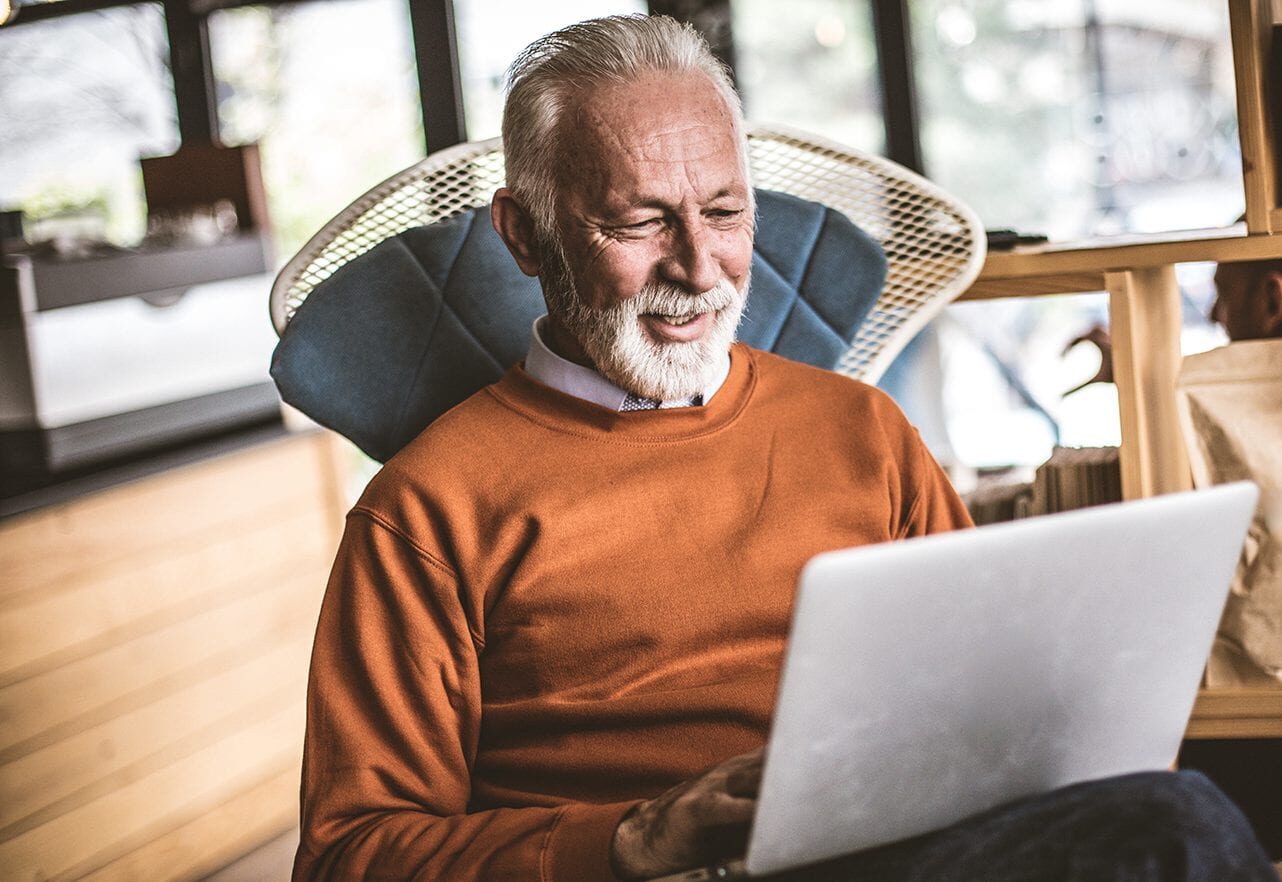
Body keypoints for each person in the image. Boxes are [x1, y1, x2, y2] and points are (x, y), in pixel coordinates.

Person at [292, 14, 1276, 882]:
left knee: (1171, 820)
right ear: (524, 234)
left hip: (904, 855)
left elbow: (995, 700)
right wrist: (637, 839)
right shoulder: (424, 512)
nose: (697, 265)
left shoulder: (860, 430)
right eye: (639, 219)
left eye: (724, 212)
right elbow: (351, 855)